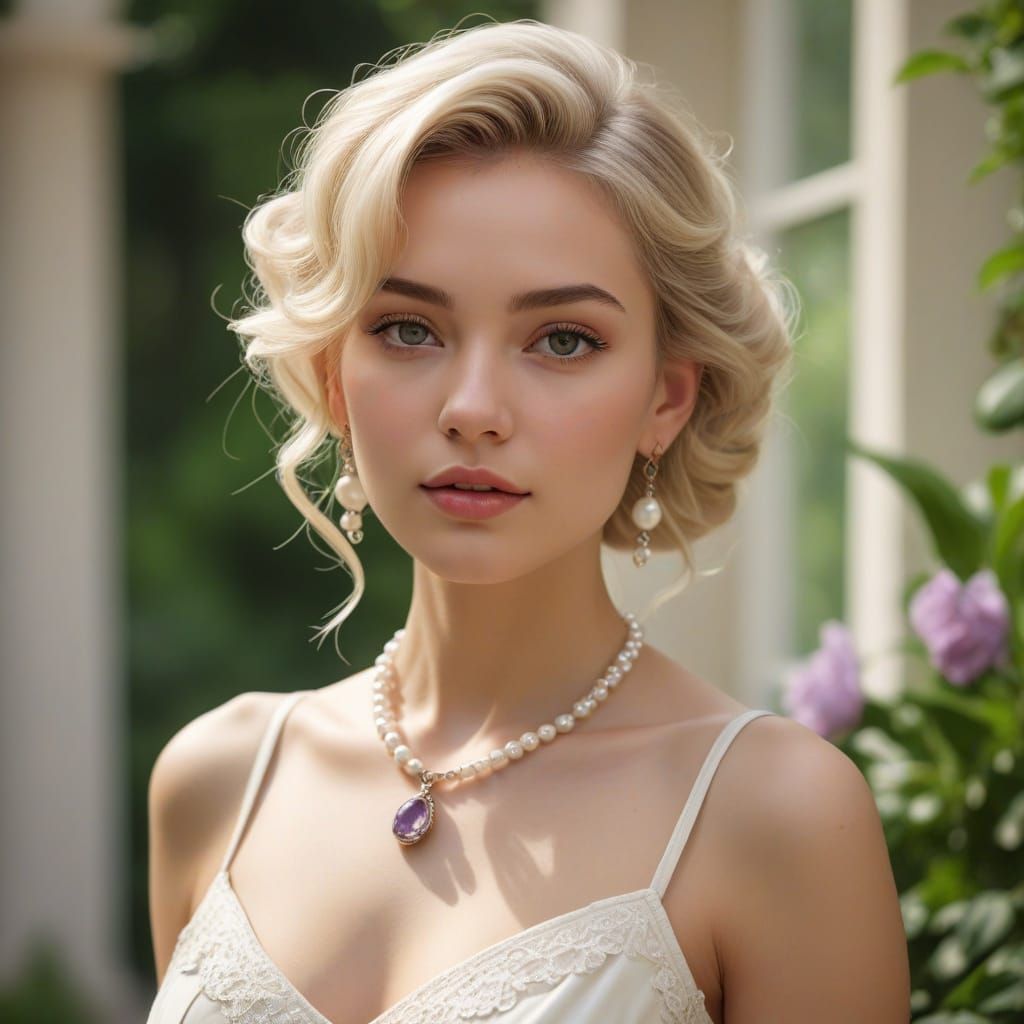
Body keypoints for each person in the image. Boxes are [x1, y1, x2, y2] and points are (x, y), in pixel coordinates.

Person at [145, 17, 910, 1024]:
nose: (471, 406)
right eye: (407, 328)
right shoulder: (217, 780)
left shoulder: (774, 813)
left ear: (666, 398)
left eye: (560, 339)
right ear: (336, 375)